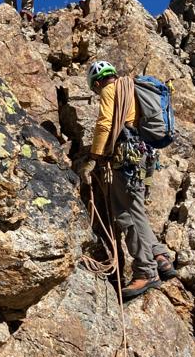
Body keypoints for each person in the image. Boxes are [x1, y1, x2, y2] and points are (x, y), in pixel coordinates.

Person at [76, 61, 178, 299]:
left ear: (98, 82)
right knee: (137, 210)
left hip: (126, 156)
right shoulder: (132, 88)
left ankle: (146, 271)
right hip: (143, 155)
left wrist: (94, 156)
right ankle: (159, 256)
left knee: (127, 215)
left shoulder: (111, 90)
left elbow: (105, 123)